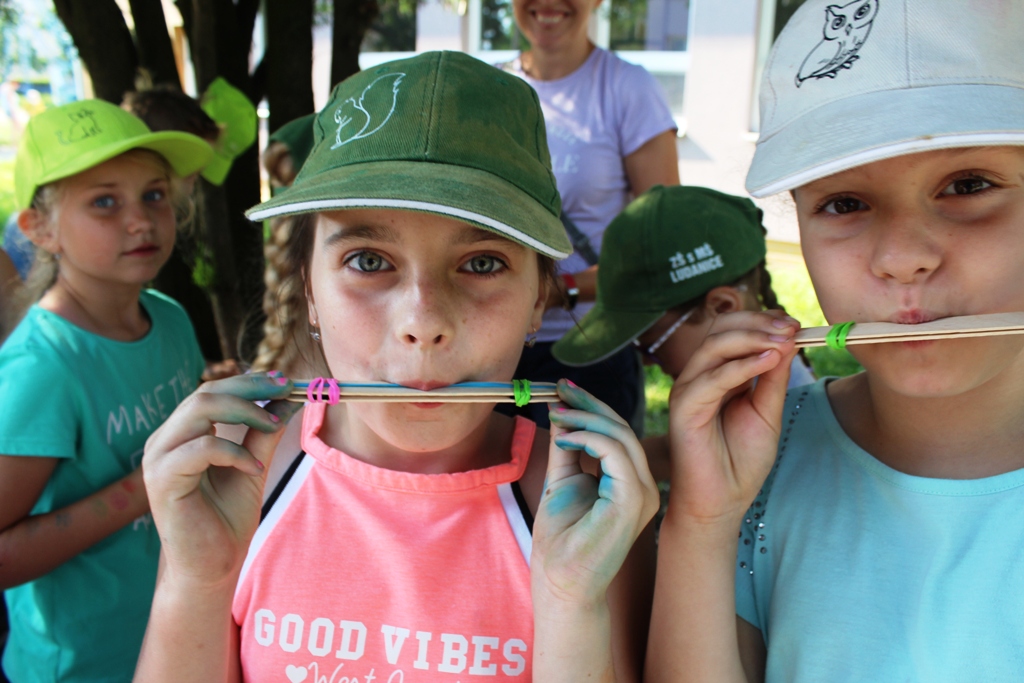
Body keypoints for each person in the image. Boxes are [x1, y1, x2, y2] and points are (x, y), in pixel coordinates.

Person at [135, 51, 659, 683]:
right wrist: (197, 579)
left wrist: (572, 603)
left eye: (483, 263)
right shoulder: (241, 475)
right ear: (309, 290)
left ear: (538, 300)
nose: (423, 320)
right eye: (368, 260)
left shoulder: (585, 511)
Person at [646, 1, 1024, 681]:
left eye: (968, 185)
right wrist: (703, 522)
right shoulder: (765, 463)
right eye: (845, 202)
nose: (902, 256)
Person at [0, 99, 212, 681]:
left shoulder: (168, 318)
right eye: (104, 202)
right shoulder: (41, 368)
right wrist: (144, 487)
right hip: (82, 663)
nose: (141, 220)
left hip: (174, 633)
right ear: (40, 228)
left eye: (154, 194)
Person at [551, 185, 814, 482]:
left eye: (651, 345)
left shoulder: (795, 425)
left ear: (723, 307)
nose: (648, 362)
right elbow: (674, 453)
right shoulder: (730, 396)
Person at [502, 0, 679, 432]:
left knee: (594, 494)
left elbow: (662, 240)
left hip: (588, 347)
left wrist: (563, 289)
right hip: (494, 347)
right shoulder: (491, 89)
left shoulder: (626, 87)